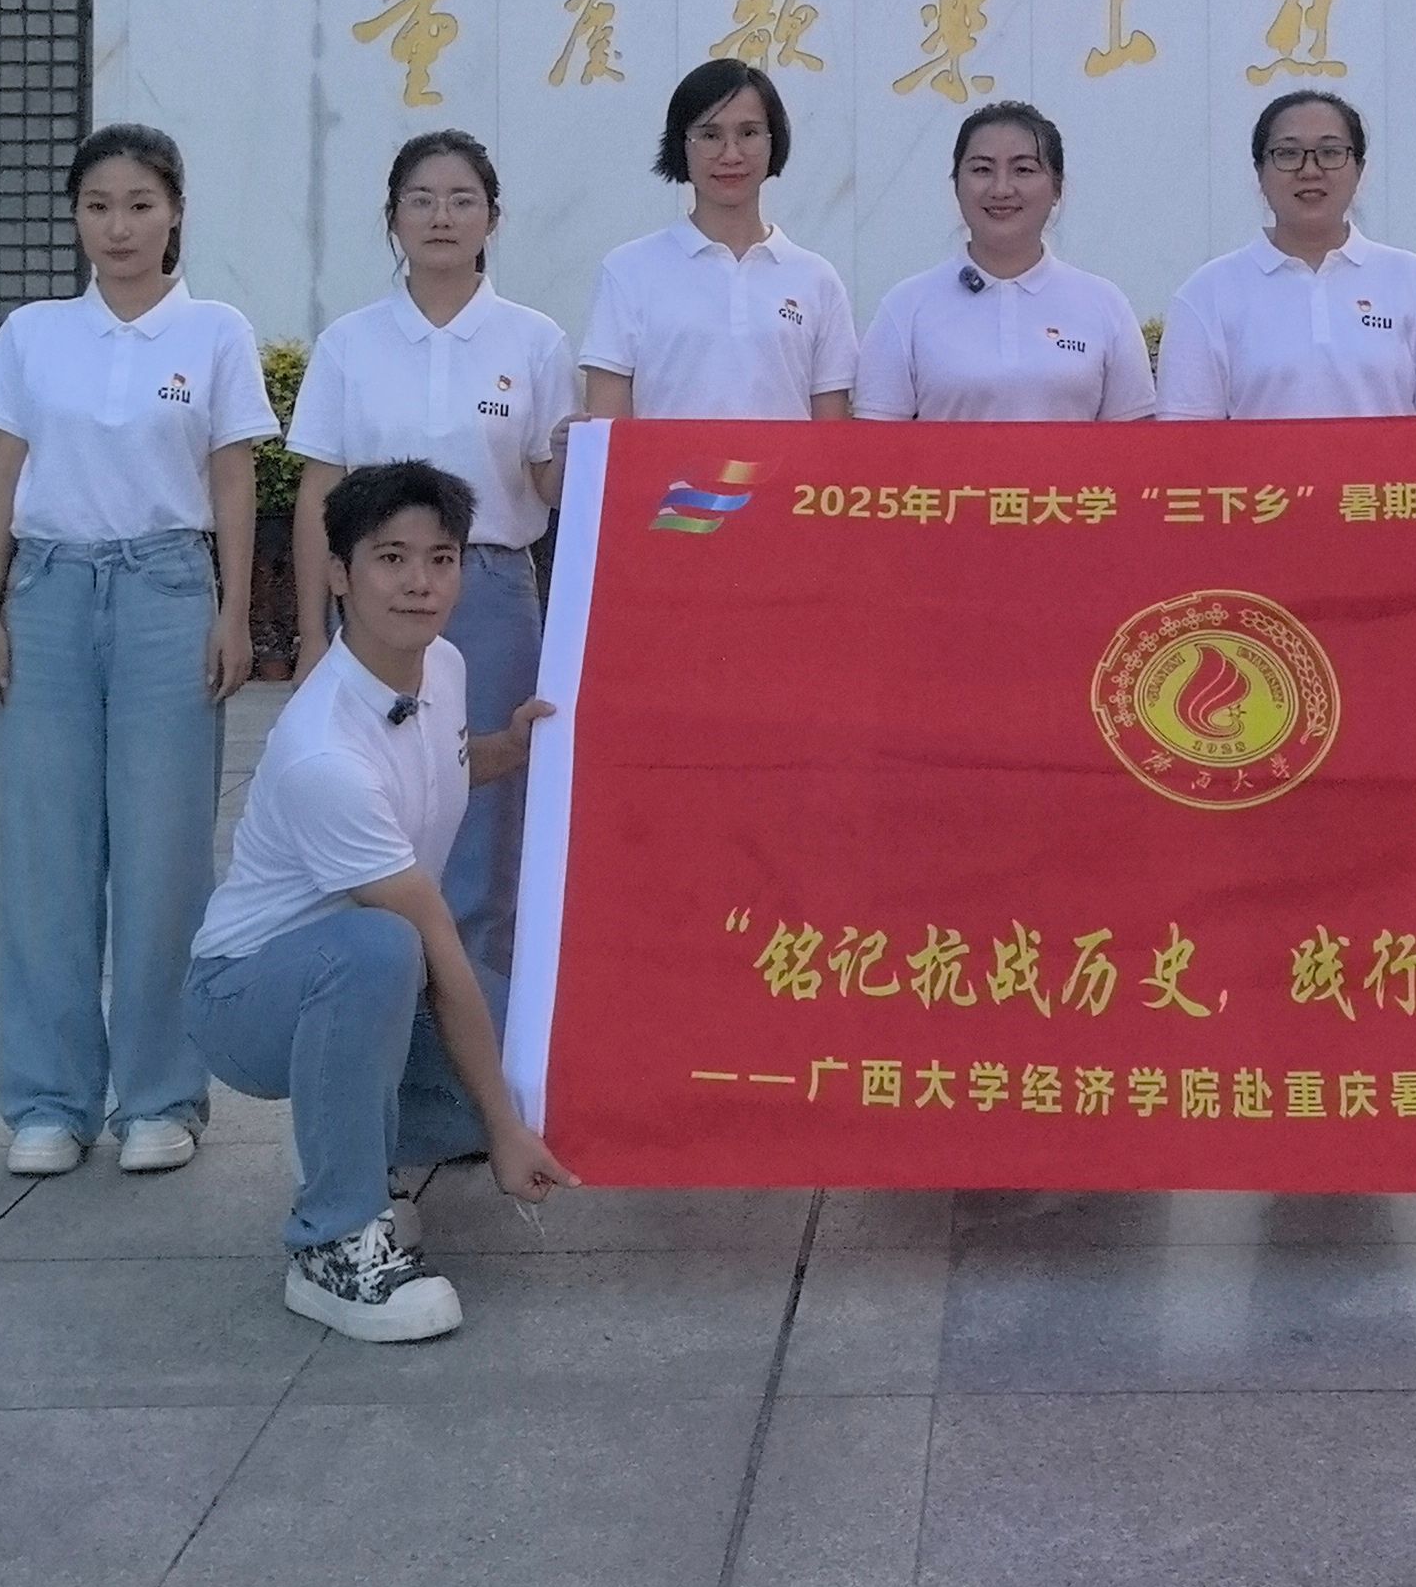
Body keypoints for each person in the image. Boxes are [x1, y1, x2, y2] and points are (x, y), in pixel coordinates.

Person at [185, 459, 577, 1343]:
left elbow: (440, 767)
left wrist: (511, 748)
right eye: (391, 558)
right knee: (386, 949)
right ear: (339, 574)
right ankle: (333, 1241)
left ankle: (349, 1137)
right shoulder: (324, 751)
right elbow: (430, 935)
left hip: (368, 982)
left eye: (441, 559)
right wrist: (504, 1131)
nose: (419, 583)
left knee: (542, 1040)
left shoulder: (442, 665)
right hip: (246, 998)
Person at [0, 123, 277, 1182]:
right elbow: (4, 472)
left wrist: (233, 613)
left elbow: (232, 477)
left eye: (141, 205)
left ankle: (160, 1096)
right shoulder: (34, 333)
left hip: (165, 595)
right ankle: (49, 1099)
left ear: (176, 212)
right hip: (49, 595)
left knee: (163, 856)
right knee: (45, 856)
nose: (120, 227)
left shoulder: (216, 332)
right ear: (75, 217)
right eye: (98, 206)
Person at [286, 129, 574, 997]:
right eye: (421, 200)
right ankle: (391, 1026)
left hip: (490, 592)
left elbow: (550, 486)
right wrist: (312, 631)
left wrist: (584, 453)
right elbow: (319, 490)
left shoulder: (533, 340)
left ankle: (479, 1046)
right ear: (393, 219)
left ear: (493, 218)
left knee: (487, 820)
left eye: (461, 200)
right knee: (380, 810)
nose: (441, 217)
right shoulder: (351, 342)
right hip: (374, 604)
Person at [1157, 91, 1416, 421]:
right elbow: (1187, 439)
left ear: (1359, 169)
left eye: (1330, 153)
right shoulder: (1207, 293)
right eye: (1288, 153)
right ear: (1260, 172)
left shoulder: (1415, 282)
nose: (1309, 170)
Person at [581, 59, 854, 424]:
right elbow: (608, 430)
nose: (731, 154)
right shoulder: (628, 270)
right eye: (710, 136)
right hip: (666, 466)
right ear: (682, 146)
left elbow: (832, 435)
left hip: (786, 466)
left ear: (773, 142)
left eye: (749, 133)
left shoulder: (816, 279)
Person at [855, 100, 1155, 422]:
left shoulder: (1104, 305)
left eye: (1023, 170)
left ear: (1057, 188)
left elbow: (1138, 445)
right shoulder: (906, 307)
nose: (1001, 189)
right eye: (982, 170)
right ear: (956, 184)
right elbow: (874, 446)